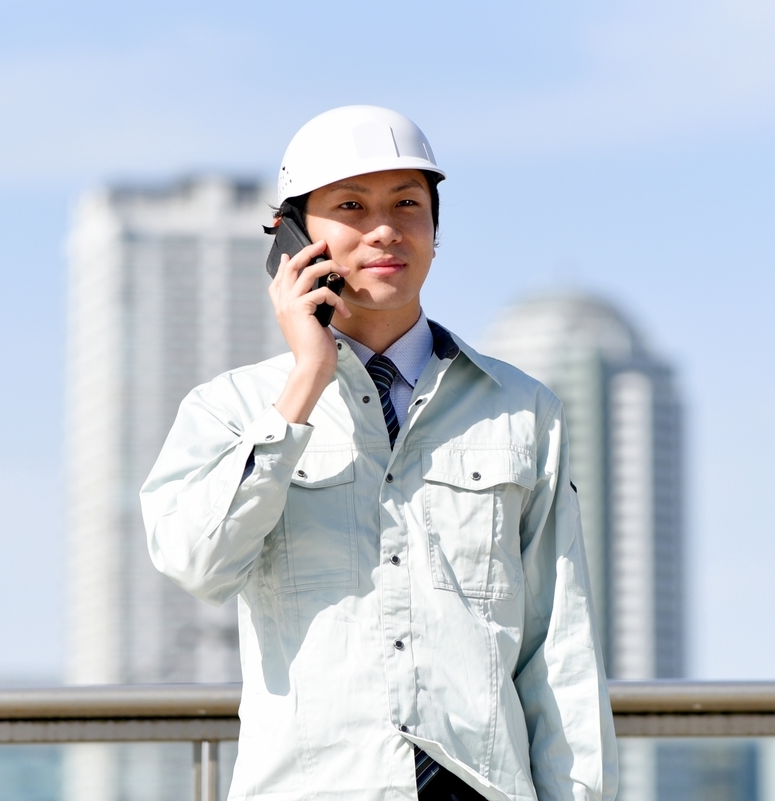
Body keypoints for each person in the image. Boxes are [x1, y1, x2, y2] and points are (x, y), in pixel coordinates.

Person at [140, 106, 618, 801]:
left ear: (434, 228)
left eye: (407, 205)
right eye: (351, 207)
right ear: (292, 235)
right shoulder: (231, 410)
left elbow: (559, 646)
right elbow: (197, 562)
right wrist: (305, 380)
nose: (386, 229)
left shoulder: (523, 410)